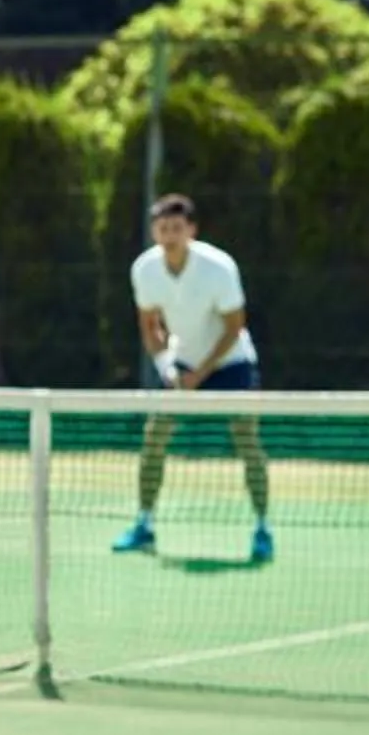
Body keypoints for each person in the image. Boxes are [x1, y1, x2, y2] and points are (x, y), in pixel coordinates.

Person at [117, 193, 273, 564]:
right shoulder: (144, 269)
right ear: (154, 231)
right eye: (162, 228)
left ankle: (262, 527)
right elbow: (149, 326)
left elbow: (235, 328)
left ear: (191, 230)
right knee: (154, 436)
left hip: (230, 361)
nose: (169, 235)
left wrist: (200, 374)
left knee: (246, 438)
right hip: (182, 362)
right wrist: (168, 368)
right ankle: (144, 522)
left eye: (177, 227)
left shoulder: (219, 268)